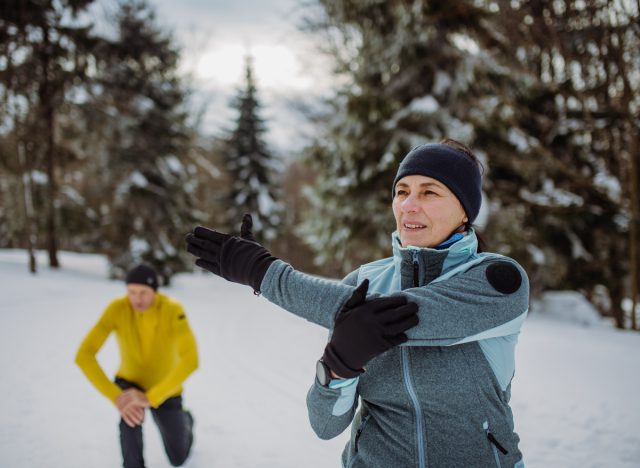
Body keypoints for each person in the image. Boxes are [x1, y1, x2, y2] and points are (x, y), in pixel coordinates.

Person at [185, 138, 529, 468]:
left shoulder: (498, 281)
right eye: (402, 192)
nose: (409, 204)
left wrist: (264, 273)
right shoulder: (363, 282)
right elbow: (325, 426)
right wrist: (337, 369)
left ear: (465, 211)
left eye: (429, 192)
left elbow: (392, 316)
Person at [75, 264, 198, 468]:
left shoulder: (172, 309)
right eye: (131, 292)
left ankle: (187, 420)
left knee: (179, 458)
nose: (137, 299)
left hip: (166, 389)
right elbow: (84, 355)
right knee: (130, 417)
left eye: (143, 292)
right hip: (129, 383)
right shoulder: (117, 308)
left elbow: (190, 360)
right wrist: (117, 396)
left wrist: (151, 397)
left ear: (155, 291)